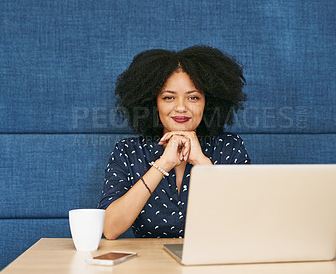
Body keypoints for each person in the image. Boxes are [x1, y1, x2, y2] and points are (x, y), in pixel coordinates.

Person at [97, 45, 251, 239]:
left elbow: (246, 221)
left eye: (193, 97)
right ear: (154, 103)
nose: (181, 107)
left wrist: (202, 162)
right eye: (169, 97)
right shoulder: (129, 151)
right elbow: (110, 229)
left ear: (208, 103)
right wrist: (163, 164)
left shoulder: (230, 147)